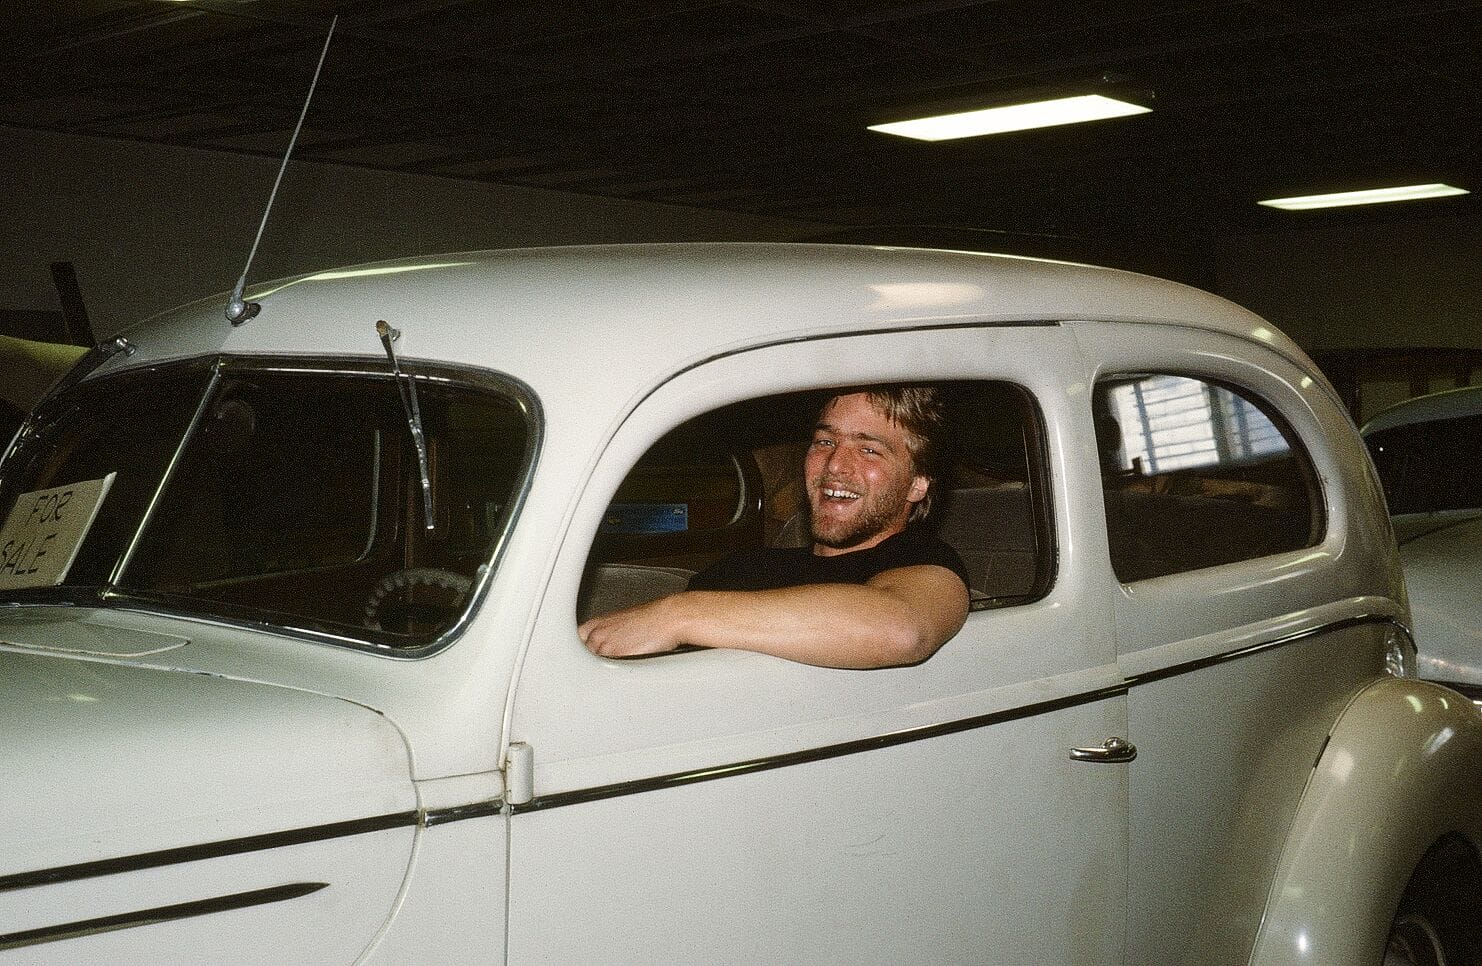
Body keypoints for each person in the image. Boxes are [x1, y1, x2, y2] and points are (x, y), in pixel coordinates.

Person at [579, 387, 971, 668]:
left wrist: (676, 615)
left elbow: (902, 630)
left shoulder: (923, 563)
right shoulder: (745, 567)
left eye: (868, 449)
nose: (835, 464)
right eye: (823, 441)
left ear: (918, 483)